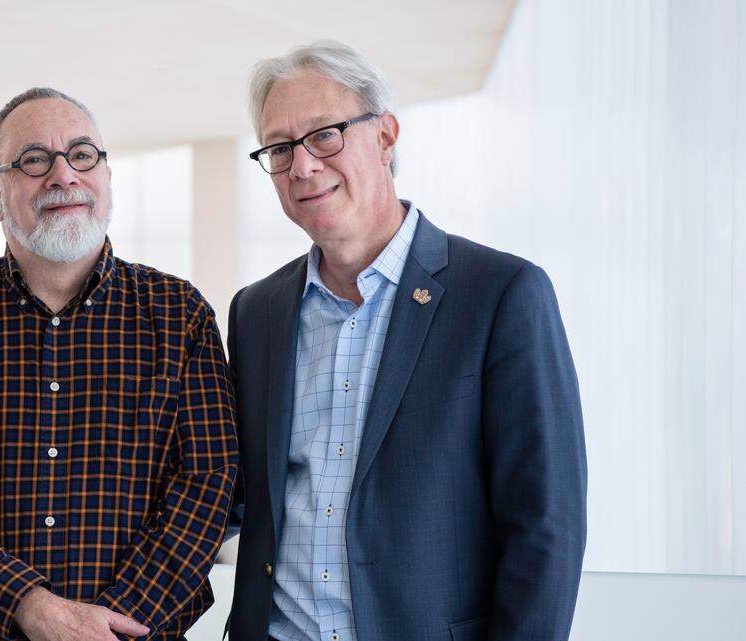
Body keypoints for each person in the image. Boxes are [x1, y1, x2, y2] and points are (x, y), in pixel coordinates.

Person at [226, 41, 587, 641]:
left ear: (386, 137)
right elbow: (237, 495)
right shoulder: (255, 312)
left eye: (325, 135)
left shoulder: (501, 294)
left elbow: (546, 526)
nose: (303, 166)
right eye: (281, 148)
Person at [0, 87, 239, 641]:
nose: (63, 176)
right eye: (34, 160)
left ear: (107, 177)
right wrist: (31, 606)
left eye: (82, 154)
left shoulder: (179, 315)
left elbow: (208, 482)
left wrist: (110, 625)